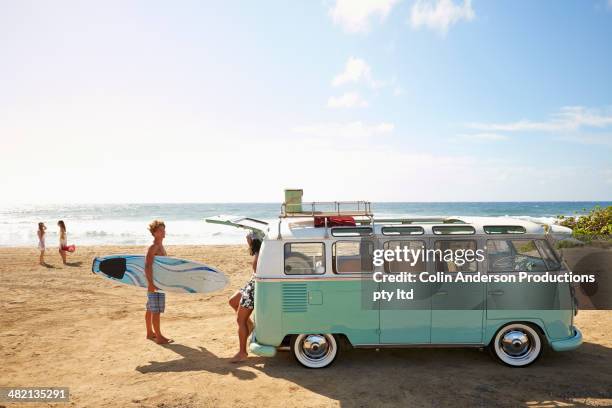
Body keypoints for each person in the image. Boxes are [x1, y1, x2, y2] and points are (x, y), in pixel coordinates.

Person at [228, 232, 261, 362]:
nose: (247, 240)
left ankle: (242, 353)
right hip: (251, 283)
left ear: (254, 241)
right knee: (232, 301)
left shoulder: (261, 253)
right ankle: (250, 326)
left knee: (240, 320)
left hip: (254, 287)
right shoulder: (258, 251)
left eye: (249, 239)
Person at [144, 220, 172, 344]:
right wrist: (151, 283)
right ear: (154, 233)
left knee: (150, 307)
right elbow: (147, 266)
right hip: (155, 283)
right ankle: (159, 337)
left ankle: (150, 332)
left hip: (159, 282)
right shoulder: (154, 247)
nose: (163, 232)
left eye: (164, 229)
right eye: (160, 230)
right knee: (156, 310)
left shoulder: (161, 246)